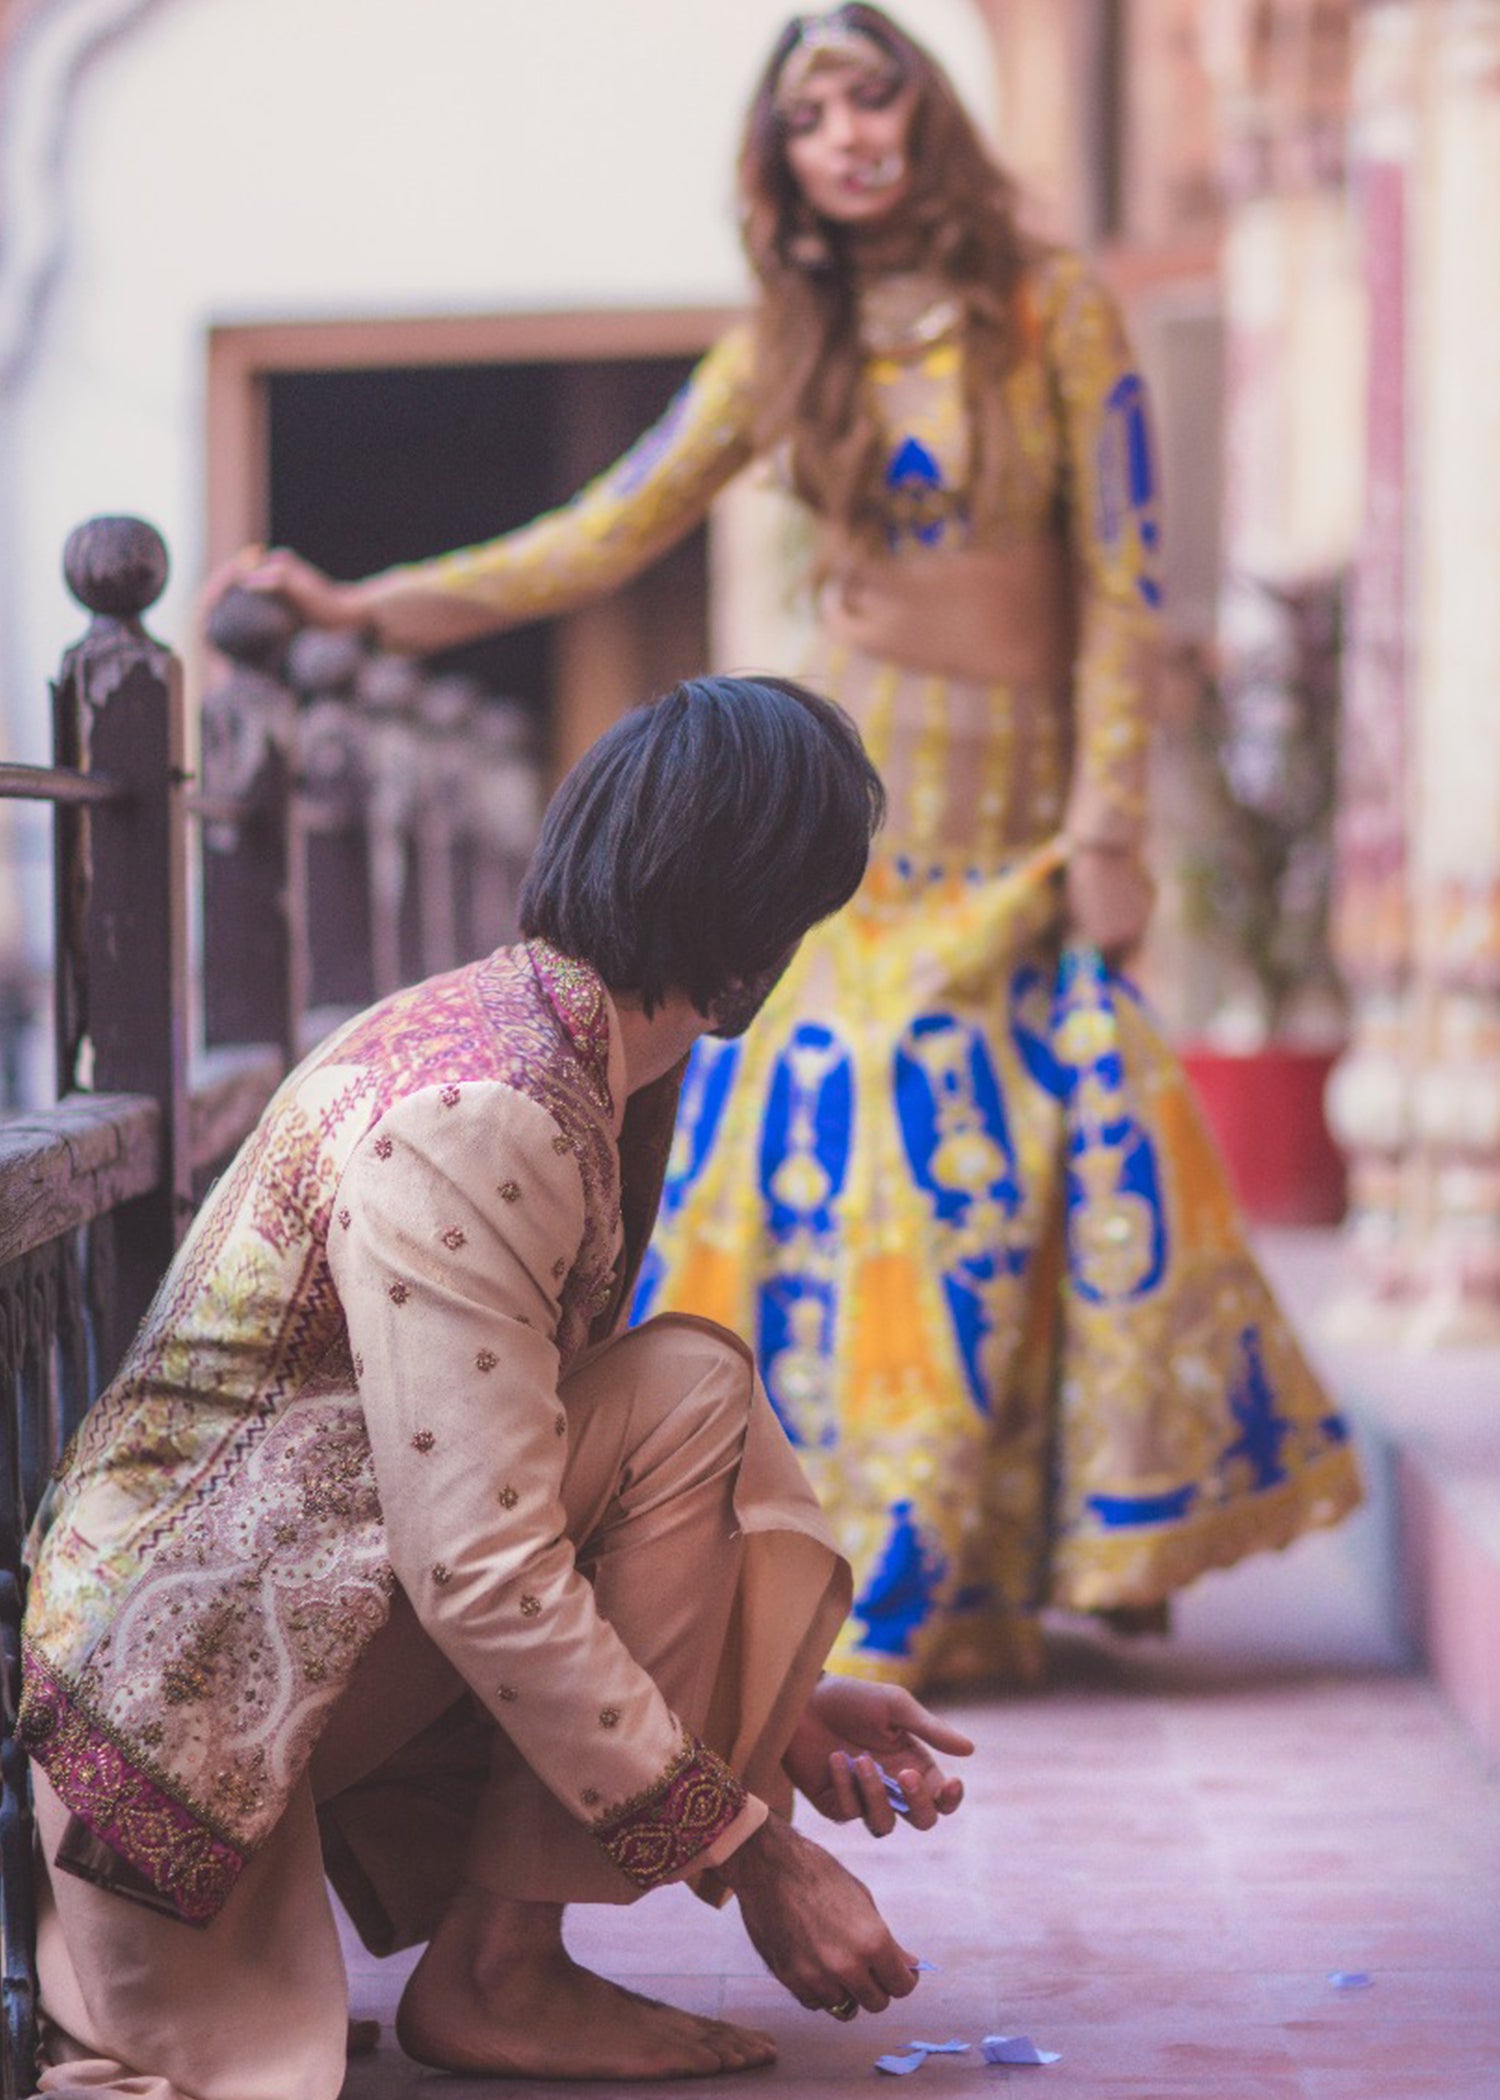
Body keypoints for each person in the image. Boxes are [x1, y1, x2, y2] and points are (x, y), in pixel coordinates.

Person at [231, 4, 1361, 1694]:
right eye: (813, 110)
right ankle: (891, 1590)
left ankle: (1012, 1567)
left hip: (1021, 846)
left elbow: (1129, 591)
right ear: (782, 158)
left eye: (873, 95)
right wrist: (368, 607)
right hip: (854, 853)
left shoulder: (1052, 313)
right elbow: (607, 529)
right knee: (856, 1198)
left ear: (923, 119)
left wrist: (1109, 830)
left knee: (1029, 1178)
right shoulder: (785, 347)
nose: (849, 131)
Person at [19, 675, 977, 2100]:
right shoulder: (488, 1111)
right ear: (757, 936)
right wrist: (755, 1855)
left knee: (675, 1390)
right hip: (174, 1717)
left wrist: (779, 1707)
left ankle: (503, 1962)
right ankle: (499, 1973)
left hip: (251, 1625)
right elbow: (482, 1569)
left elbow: (513, 1469)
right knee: (691, 1398)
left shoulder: (556, 1049)